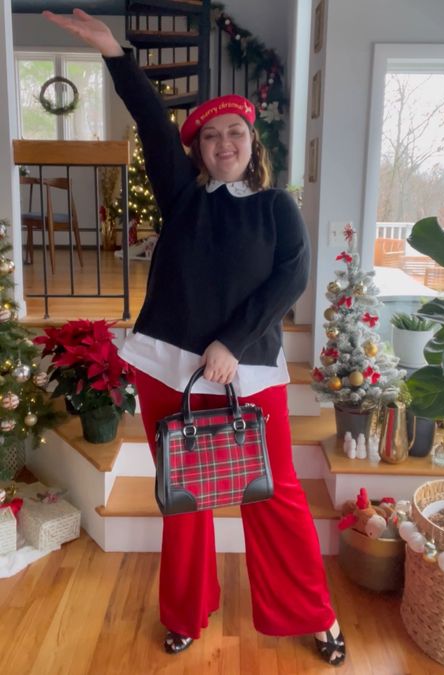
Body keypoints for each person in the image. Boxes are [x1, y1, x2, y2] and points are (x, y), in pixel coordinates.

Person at [43, 8, 346, 666]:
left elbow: (288, 280)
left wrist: (234, 343)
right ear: (198, 149)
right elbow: (153, 120)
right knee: (185, 500)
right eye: (211, 136)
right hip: (166, 369)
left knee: (277, 497)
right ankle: (185, 611)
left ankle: (311, 612)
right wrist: (113, 52)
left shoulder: (276, 208)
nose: (224, 142)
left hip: (248, 372)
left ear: (252, 141)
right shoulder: (183, 195)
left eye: (235, 132)